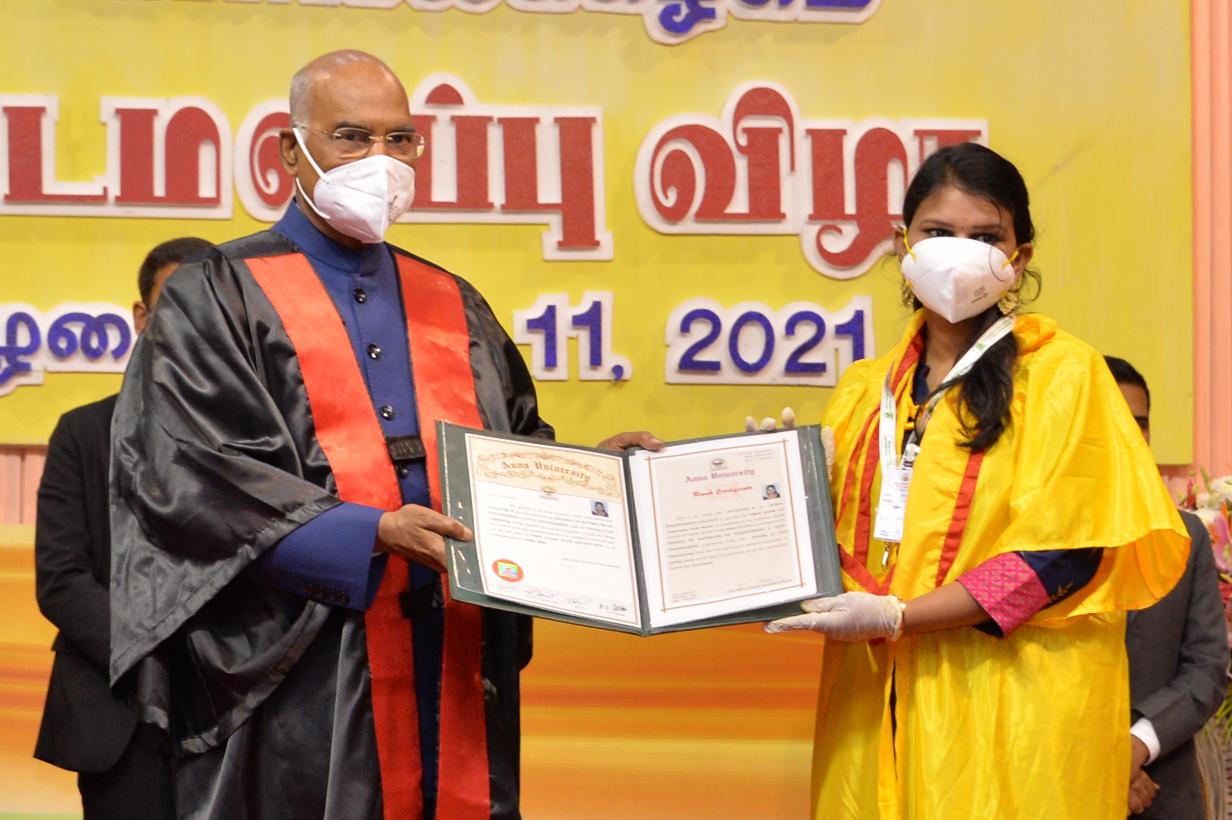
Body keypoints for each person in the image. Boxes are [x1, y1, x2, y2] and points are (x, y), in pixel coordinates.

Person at [108, 50, 656, 820]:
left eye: (401, 139)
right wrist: (369, 533)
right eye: (352, 137)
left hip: (450, 656)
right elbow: (188, 475)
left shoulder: (451, 301)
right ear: (289, 150)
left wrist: (591, 478)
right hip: (302, 679)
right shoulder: (217, 295)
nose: (381, 160)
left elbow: (506, 453)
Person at [763, 142, 1189, 818]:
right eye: (938, 232)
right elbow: (831, 556)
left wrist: (900, 617)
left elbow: (1062, 557)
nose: (959, 253)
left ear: (1018, 256)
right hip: (876, 704)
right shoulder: (863, 391)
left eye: (985, 237)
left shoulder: (1065, 377)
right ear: (903, 242)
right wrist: (774, 493)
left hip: (1015, 714)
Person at [34, 236, 211, 819]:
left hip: (233, 708)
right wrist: (158, 652)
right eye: (175, 304)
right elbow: (62, 580)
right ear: (142, 316)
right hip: (118, 712)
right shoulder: (83, 433)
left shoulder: (260, 441)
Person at [1106, 355, 1229, 817]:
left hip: (1164, 792)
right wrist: (1103, 758)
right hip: (1057, 787)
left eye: (1140, 424)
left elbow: (1207, 665)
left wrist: (1135, 747)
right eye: (1115, 420)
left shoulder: (1186, 536)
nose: (1130, 437)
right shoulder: (1034, 539)